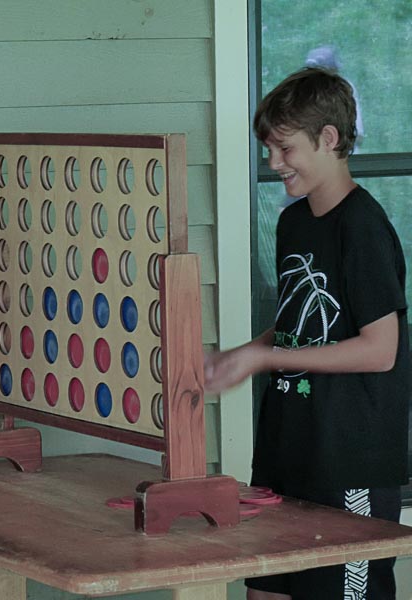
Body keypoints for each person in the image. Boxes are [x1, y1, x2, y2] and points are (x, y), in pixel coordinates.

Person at [205, 68, 409, 600]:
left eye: (284, 149)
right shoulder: (295, 223)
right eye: (268, 149)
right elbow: (295, 324)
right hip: (287, 451)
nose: (273, 164)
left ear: (328, 139)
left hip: (348, 461)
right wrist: (241, 355)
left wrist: (265, 361)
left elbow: (380, 349)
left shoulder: (362, 227)